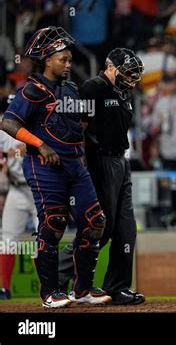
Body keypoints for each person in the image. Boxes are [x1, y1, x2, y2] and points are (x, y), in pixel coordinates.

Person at [2, 26, 110, 308]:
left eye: (70, 60)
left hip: (75, 166)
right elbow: (9, 123)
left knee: (95, 221)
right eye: (62, 59)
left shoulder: (72, 88)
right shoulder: (31, 90)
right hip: (44, 166)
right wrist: (40, 144)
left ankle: (83, 289)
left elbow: (81, 123)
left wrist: (82, 150)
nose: (68, 64)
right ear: (47, 60)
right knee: (53, 224)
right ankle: (50, 293)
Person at [58, 48, 145, 305]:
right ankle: (56, 274)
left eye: (133, 74)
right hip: (99, 161)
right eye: (126, 72)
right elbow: (79, 129)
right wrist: (80, 165)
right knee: (100, 229)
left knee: (127, 230)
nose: (130, 78)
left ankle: (117, 287)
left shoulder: (124, 93)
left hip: (122, 160)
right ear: (110, 67)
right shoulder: (93, 88)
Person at [0, 96, 37, 300]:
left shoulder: (34, 123)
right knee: (7, 240)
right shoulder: (3, 130)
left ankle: (50, 288)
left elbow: (37, 145)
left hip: (38, 188)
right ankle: (5, 288)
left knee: (44, 238)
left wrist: (17, 151)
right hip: (16, 188)